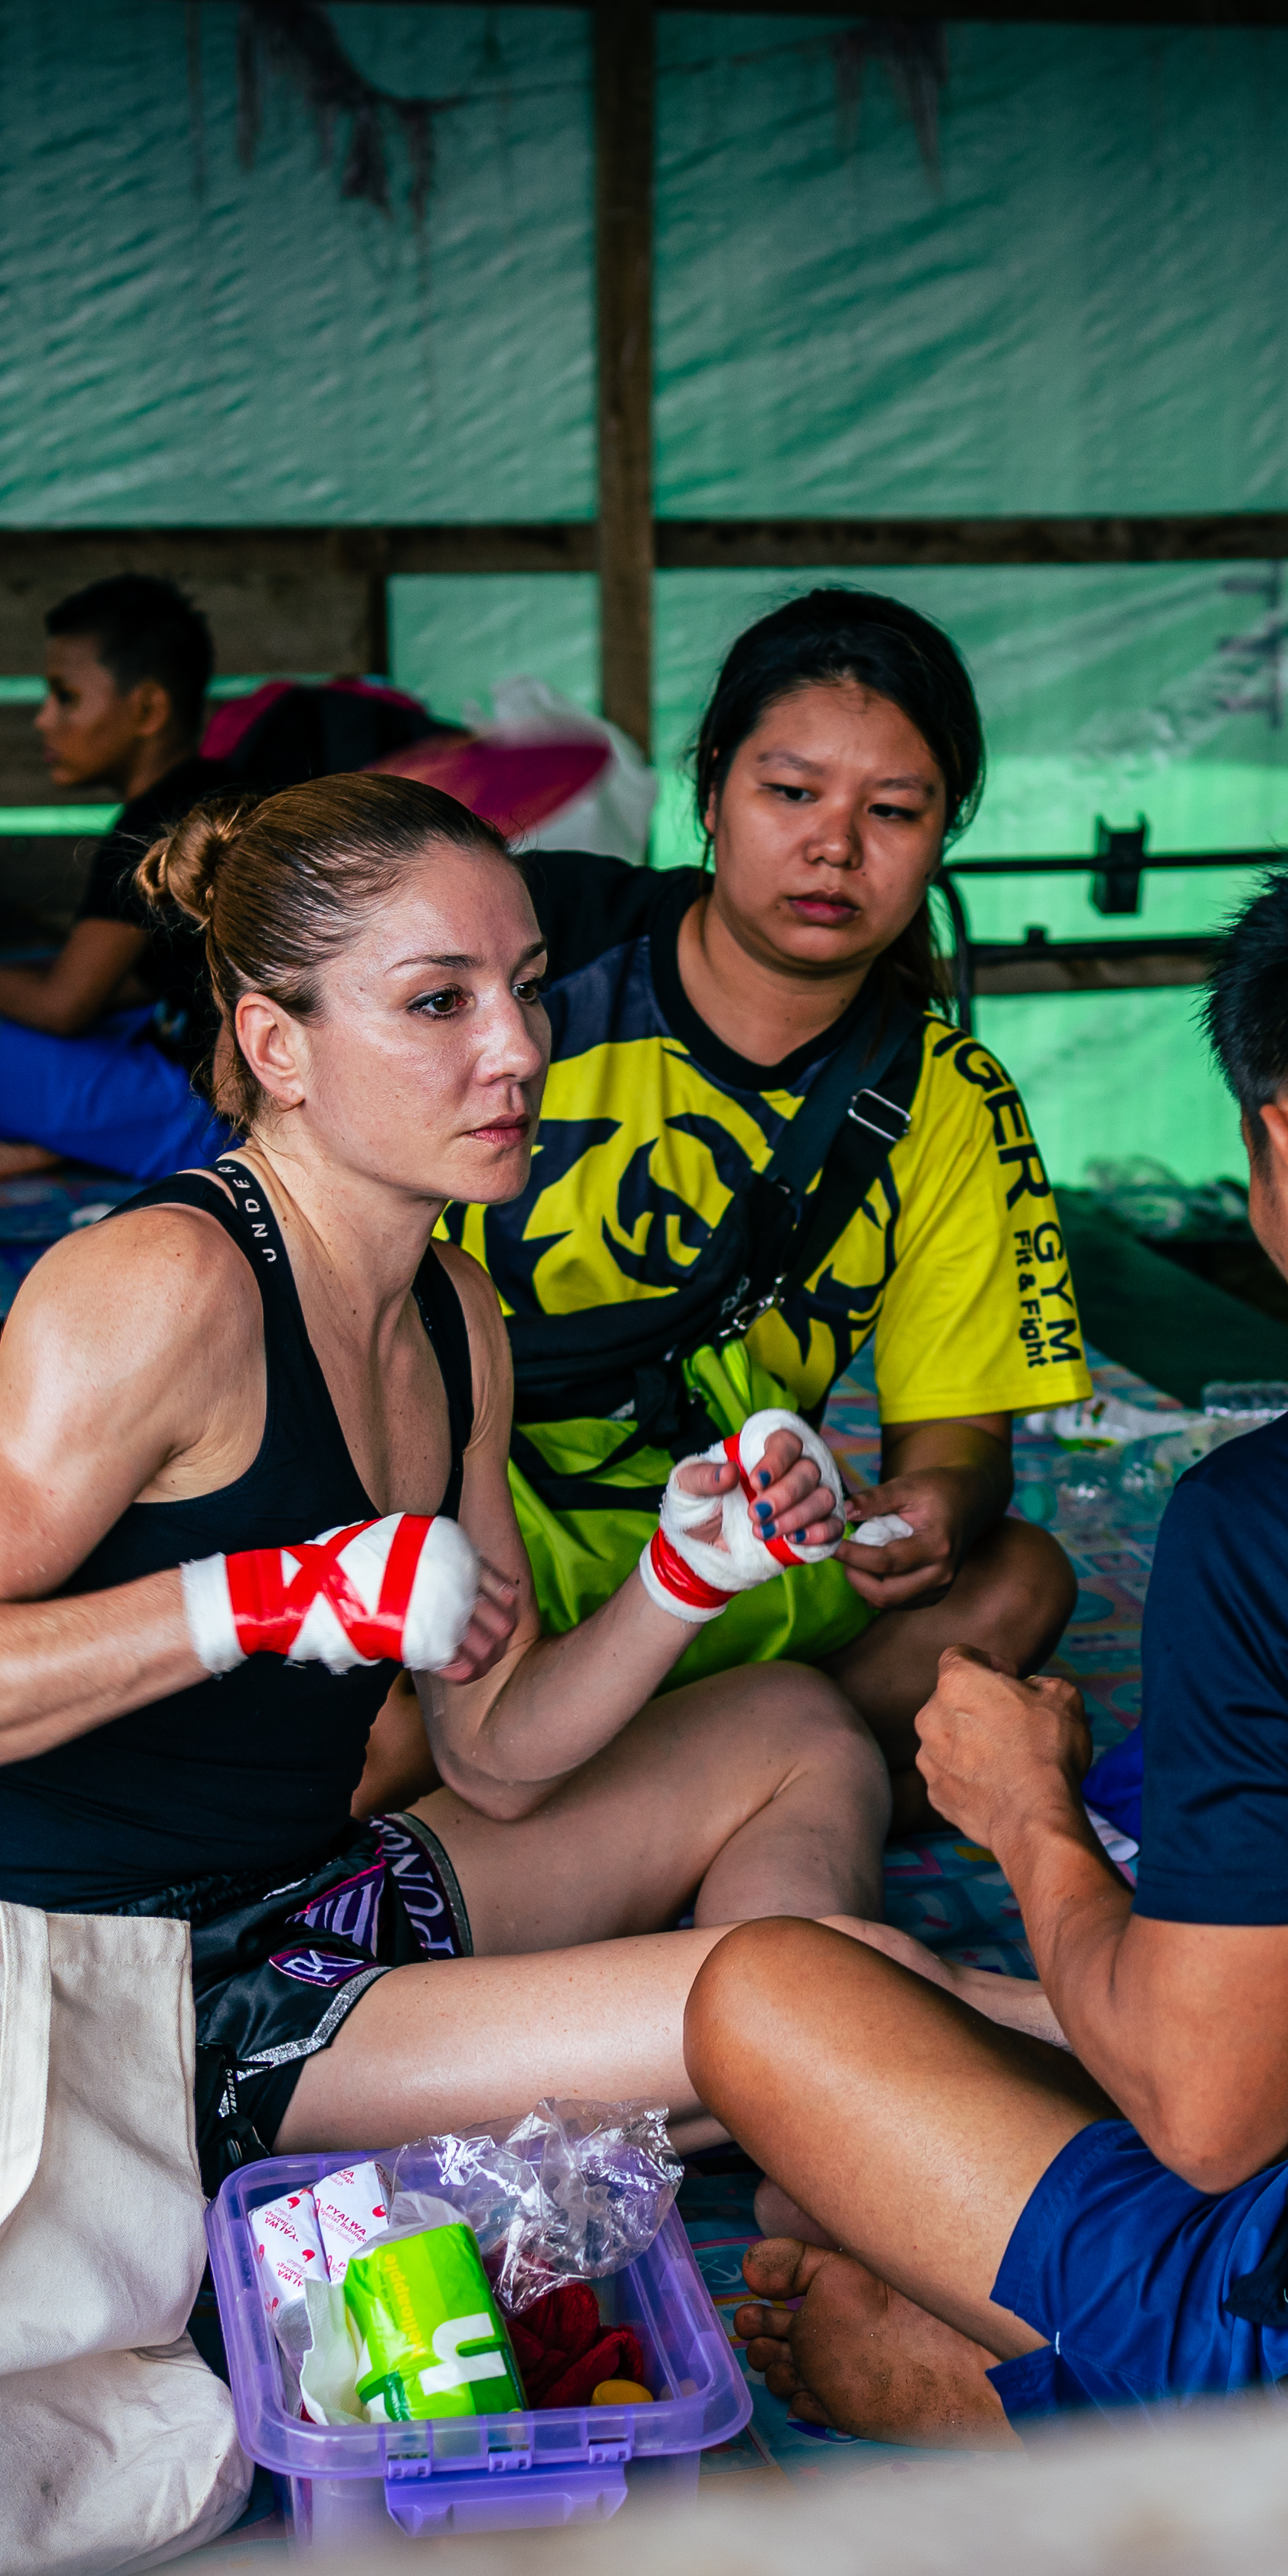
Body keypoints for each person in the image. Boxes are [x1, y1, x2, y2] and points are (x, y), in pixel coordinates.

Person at [0, 772, 1005, 2188]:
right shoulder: (160, 1288)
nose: (517, 1051)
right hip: (121, 2010)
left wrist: (686, 1577)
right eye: (441, 1003)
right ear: (277, 1046)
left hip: (315, 1903)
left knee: (795, 1727)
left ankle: (800, 2109)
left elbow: (493, 1750)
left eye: (530, 989)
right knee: (821, 1990)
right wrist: (270, 1596)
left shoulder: (455, 1313)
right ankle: (1099, 2066)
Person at [683, 829, 1288, 2443]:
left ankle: (1062, 2413)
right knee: (921, 2043)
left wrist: (1023, 1812)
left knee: (769, 2002)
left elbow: (1217, 2118)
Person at [444, 590, 1085, 1818]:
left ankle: (649, 1799)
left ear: (946, 832)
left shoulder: (947, 1097)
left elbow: (957, 1437)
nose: (836, 848)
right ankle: (736, 1786)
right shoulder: (531, 963)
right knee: (360, 1699)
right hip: (486, 1532)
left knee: (1012, 1583)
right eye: (791, 795)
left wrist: (930, 1510)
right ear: (711, 790)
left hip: (734, 1547)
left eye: (893, 812)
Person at [0, 574, 256, 1189]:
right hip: (221, 1069)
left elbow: (67, 1006)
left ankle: (117, 1145)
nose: (43, 720)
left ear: (149, 710)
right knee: (17, 1003)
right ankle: (65, 1143)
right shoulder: (216, 789)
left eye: (66, 697)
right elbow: (135, 981)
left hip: (217, 1117)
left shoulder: (153, 825)